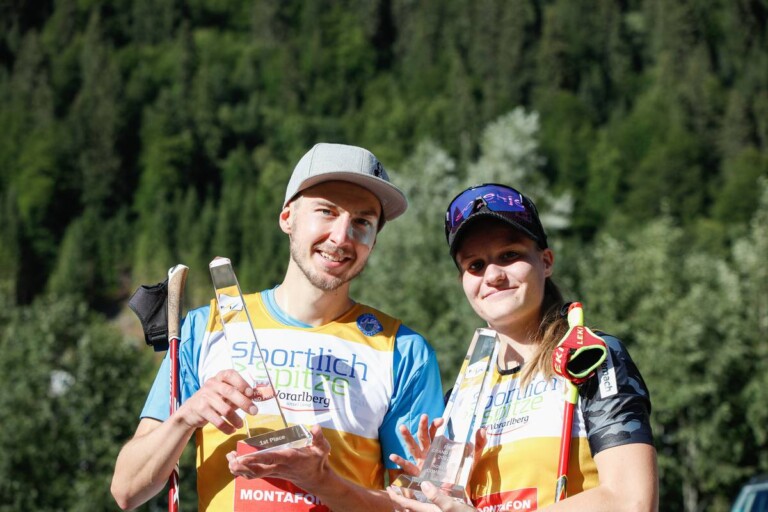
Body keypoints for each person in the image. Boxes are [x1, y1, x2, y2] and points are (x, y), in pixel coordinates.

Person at [111, 143, 445, 511]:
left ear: (374, 240)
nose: (341, 236)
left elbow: (423, 507)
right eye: (326, 212)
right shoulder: (206, 326)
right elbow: (127, 490)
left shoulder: (402, 349)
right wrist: (185, 417)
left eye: (362, 223)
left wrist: (322, 481)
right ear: (288, 217)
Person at [387, 183, 658, 511]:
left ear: (546, 262)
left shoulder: (590, 356)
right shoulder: (463, 392)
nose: (493, 275)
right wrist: (434, 492)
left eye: (509, 255)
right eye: (475, 265)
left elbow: (631, 500)